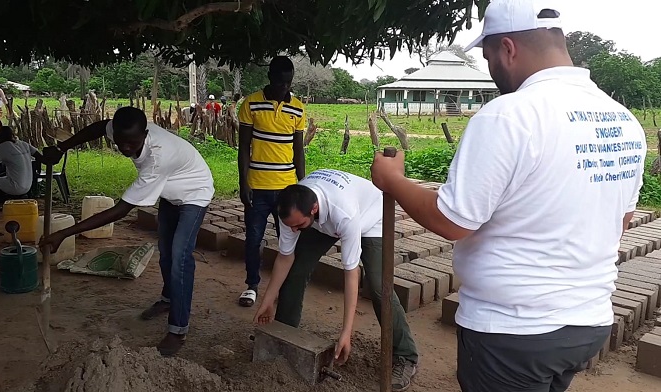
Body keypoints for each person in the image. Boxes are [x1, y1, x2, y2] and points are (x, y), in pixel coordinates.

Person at [370, 1, 647, 391]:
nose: (491, 69)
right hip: (588, 322)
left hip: (514, 331)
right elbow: (620, 222)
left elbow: (452, 221)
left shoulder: (509, 115)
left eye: (488, 57)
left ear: (507, 49)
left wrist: (392, 180)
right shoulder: (623, 119)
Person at [39, 106, 214, 356]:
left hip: (195, 192)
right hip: (171, 191)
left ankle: (178, 329)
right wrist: (61, 147)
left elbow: (120, 211)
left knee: (180, 257)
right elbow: (100, 127)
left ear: (146, 133)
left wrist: (65, 233)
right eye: (121, 142)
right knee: (165, 251)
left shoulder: (157, 158)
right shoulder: (121, 129)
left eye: (132, 143)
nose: (125, 148)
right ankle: (168, 299)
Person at [254, 169, 420, 392]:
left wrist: (346, 333)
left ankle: (405, 356)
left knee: (380, 286)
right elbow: (285, 258)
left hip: (371, 216)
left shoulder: (345, 213)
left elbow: (351, 274)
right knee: (296, 268)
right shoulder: (291, 210)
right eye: (290, 225)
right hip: (323, 219)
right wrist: (268, 300)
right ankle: (285, 336)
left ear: (313, 209)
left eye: (298, 225)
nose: (293, 230)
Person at [237, 56, 306, 307]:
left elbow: (298, 150)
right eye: (279, 82)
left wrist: (303, 185)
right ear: (270, 78)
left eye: (288, 83)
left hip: (287, 188)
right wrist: (244, 183)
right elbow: (244, 147)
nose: (284, 88)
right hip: (257, 186)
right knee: (253, 239)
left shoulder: (297, 108)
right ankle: (252, 286)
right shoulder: (251, 104)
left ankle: (284, 289)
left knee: (287, 240)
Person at [0, 126, 46, 203]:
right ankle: (12, 195)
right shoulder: (24, 144)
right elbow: (41, 158)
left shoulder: (1, 147)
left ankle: (1, 198)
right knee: (0, 175)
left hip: (14, 188)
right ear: (13, 135)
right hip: (28, 187)